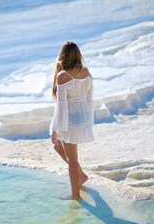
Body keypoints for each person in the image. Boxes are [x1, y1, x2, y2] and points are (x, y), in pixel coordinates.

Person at [50, 41, 94, 200]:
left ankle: (76, 195)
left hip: (70, 120)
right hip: (82, 117)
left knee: (73, 158)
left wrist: (55, 128)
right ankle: (80, 175)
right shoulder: (86, 72)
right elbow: (89, 97)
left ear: (63, 56)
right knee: (57, 145)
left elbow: (61, 107)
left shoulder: (63, 76)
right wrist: (88, 119)